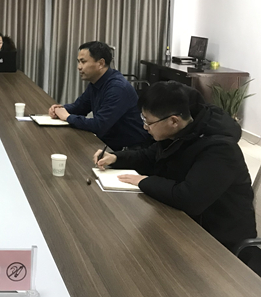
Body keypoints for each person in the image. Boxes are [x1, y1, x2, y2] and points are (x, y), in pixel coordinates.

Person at [94, 81, 261, 274]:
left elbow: (189, 198)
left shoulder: (220, 149)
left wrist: (144, 181)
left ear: (173, 121)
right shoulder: (183, 130)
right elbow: (150, 156)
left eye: (148, 122)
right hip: (183, 223)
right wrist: (116, 157)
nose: (145, 127)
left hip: (219, 246)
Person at [49, 41, 149, 150]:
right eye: (78, 62)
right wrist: (60, 109)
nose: (79, 67)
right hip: (110, 143)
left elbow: (99, 125)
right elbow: (80, 107)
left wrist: (68, 117)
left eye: (83, 62)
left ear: (101, 63)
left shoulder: (117, 88)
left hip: (130, 149)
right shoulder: (96, 82)